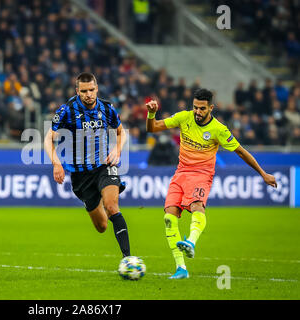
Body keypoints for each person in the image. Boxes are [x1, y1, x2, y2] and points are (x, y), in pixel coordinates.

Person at [146, 88, 277, 279]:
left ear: (211, 108)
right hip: (180, 173)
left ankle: (191, 241)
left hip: (201, 174)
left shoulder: (219, 130)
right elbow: (152, 128)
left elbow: (240, 151)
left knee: (197, 205)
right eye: (195, 107)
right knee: (169, 218)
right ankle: (181, 268)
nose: (197, 112)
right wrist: (151, 113)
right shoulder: (184, 117)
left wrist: (263, 173)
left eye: (202, 109)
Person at [44, 72, 131, 258]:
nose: (88, 94)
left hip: (103, 166)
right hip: (81, 176)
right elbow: (47, 139)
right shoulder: (67, 110)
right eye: (84, 91)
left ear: (97, 88)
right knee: (101, 226)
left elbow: (121, 133)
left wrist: (117, 149)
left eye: (92, 90)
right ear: (77, 91)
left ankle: (128, 259)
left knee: (112, 206)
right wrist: (56, 164)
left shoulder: (107, 109)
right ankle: (100, 200)